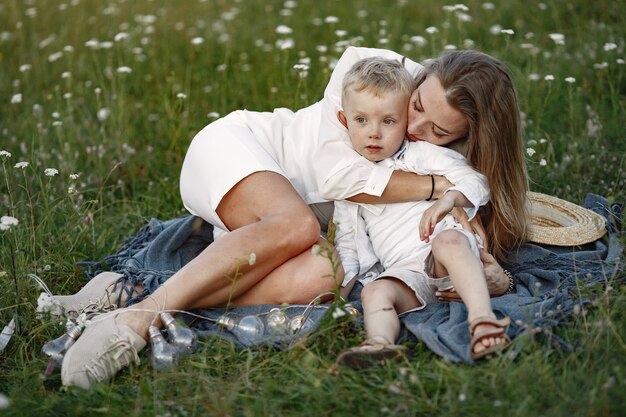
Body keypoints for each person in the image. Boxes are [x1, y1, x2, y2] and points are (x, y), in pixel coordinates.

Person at [55, 46, 526, 389]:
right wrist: (435, 187)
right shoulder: (371, 74)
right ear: (418, 79)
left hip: (270, 219)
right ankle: (135, 324)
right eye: (417, 106)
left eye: (438, 132)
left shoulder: (443, 154)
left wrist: (486, 262)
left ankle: (125, 292)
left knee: (325, 276)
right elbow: (346, 182)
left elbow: (465, 214)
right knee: (299, 224)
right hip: (242, 151)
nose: (415, 129)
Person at [329, 57, 510, 368]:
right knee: (375, 292)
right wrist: (339, 290)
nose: (375, 133)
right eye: (362, 122)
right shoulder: (351, 185)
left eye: (388, 121)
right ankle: (380, 343)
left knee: (449, 242)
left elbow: (475, 180)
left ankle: (482, 321)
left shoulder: (419, 153)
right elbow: (349, 243)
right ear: (346, 121)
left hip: (443, 253)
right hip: (406, 271)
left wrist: (449, 199)